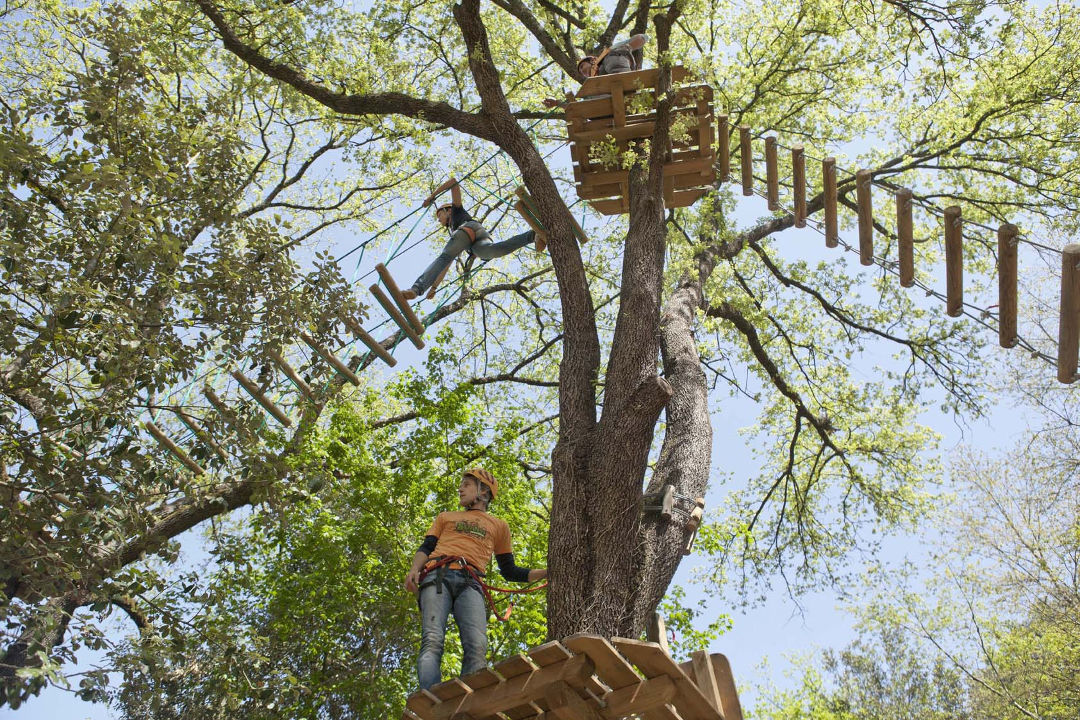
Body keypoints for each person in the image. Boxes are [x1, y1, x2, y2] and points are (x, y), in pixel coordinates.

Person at [404, 468, 547, 690]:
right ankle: (430, 702)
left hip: (471, 583)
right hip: (437, 575)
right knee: (432, 640)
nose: (460, 489)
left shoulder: (499, 526)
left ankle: (467, 702)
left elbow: (509, 571)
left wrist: (548, 572)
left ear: (483, 492)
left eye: (467, 484)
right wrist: (414, 569)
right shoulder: (446, 517)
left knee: (478, 646)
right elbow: (427, 547)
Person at [401, 178, 544, 300]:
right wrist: (434, 286)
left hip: (467, 230)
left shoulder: (456, 209)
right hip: (477, 242)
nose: (439, 220)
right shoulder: (452, 228)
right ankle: (533, 235)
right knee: (493, 251)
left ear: (448, 210)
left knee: (444, 256)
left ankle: (416, 289)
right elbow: (447, 263)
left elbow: (453, 182)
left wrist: (432, 196)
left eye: (439, 216)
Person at [543, 34, 650, 109]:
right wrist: (557, 103)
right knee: (588, 98)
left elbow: (643, 38)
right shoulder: (593, 90)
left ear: (593, 60)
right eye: (580, 71)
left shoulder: (609, 57)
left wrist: (628, 45)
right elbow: (577, 109)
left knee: (610, 56)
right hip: (606, 107)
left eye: (582, 67)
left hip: (625, 91)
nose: (582, 72)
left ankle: (621, 80)